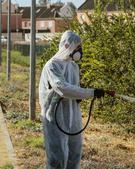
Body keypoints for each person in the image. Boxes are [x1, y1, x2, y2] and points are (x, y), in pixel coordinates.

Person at [39, 30, 105, 169]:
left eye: (80, 47)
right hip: (55, 115)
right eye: (77, 47)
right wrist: (90, 93)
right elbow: (62, 88)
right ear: (67, 46)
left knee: (75, 151)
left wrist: (79, 97)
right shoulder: (52, 65)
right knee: (58, 156)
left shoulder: (73, 66)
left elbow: (74, 88)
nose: (79, 50)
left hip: (72, 114)